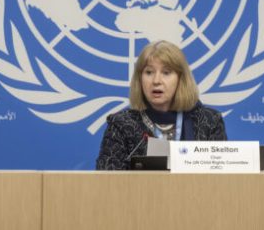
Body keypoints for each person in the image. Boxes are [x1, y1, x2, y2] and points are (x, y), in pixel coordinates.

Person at [96, 40, 227, 170]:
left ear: (180, 79)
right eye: (149, 72)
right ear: (140, 79)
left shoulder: (209, 121)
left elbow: (223, 176)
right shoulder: (122, 125)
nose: (156, 81)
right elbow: (106, 179)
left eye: (166, 72)